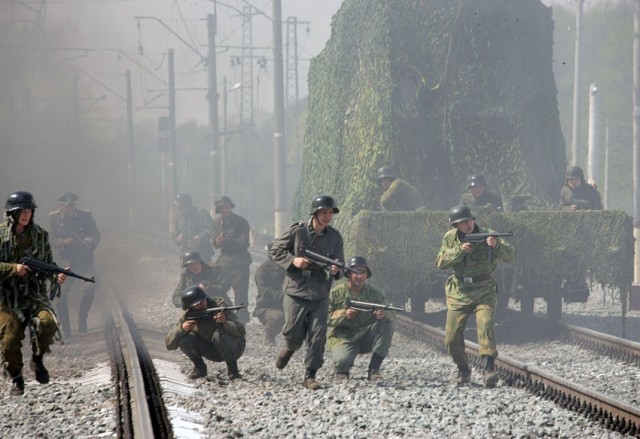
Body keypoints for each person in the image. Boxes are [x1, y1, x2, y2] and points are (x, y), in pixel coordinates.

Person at [435, 205, 515, 388]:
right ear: (456, 225)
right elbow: (440, 262)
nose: (468, 224)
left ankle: (489, 369)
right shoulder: (450, 238)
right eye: (463, 222)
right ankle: (463, 370)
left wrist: (496, 246)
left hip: (484, 289)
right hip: (459, 291)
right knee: (452, 337)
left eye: (470, 220)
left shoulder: (490, 235)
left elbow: (511, 256)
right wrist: (460, 251)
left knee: (485, 325)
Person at [270, 195, 344, 390]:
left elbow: (340, 264)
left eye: (330, 212)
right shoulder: (298, 230)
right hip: (296, 289)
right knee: (294, 334)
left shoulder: (335, 237)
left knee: (318, 336)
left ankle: (310, 375)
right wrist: (293, 261)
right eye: (324, 212)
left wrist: (337, 270)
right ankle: (290, 348)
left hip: (320, 291)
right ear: (315, 213)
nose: (327, 216)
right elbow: (276, 250)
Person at [0, 191, 68, 395]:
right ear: (13, 213)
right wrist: (13, 269)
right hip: (7, 298)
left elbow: (47, 264)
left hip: (34, 295)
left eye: (29, 211)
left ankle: (37, 359)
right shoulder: (0, 235)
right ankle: (16, 378)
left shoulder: (40, 235)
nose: (26, 215)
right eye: (22, 211)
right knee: (9, 342)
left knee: (49, 323)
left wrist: (56, 275)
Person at [327, 256, 394, 381]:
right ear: (348, 274)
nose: (359, 276)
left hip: (367, 336)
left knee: (388, 323)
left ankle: (374, 370)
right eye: (355, 272)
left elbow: (390, 311)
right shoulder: (336, 293)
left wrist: (383, 315)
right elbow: (325, 317)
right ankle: (343, 371)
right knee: (341, 361)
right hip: (344, 337)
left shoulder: (375, 293)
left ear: (367, 274)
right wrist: (344, 314)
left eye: (363, 272)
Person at [165, 286, 246, 380]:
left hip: (234, 347)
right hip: (212, 350)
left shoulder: (219, 306)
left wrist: (225, 323)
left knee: (218, 334)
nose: (202, 304)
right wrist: (182, 329)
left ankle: (233, 372)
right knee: (184, 340)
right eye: (197, 304)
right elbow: (169, 344)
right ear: (190, 307)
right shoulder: (187, 316)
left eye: (203, 300)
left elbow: (241, 330)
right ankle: (200, 369)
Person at [49, 192, 100, 337]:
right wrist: (63, 242)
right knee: (60, 296)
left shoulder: (85, 216)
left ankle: (82, 319)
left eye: (71, 206)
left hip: (84, 260)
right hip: (65, 263)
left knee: (90, 288)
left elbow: (97, 234)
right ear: (60, 207)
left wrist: (91, 239)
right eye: (66, 206)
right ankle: (66, 329)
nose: (69, 209)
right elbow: (51, 240)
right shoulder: (54, 219)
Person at [212, 196, 252, 324]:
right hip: (224, 262)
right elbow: (214, 242)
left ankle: (241, 322)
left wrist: (228, 240)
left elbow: (245, 243)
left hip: (239, 263)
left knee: (240, 295)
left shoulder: (241, 222)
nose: (225, 210)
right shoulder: (217, 223)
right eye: (222, 208)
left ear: (230, 207)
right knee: (217, 290)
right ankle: (221, 317)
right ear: (219, 210)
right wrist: (217, 241)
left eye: (227, 207)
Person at [253, 243, 286, 347]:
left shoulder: (287, 268)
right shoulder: (263, 271)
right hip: (267, 307)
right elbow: (266, 294)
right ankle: (269, 336)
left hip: (287, 304)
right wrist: (286, 296)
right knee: (277, 317)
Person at [172, 193, 215, 263]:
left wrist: (198, 237)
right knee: (186, 273)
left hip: (203, 253)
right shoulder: (179, 218)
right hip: (187, 254)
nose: (178, 207)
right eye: (177, 205)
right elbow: (175, 236)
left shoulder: (201, 213)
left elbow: (210, 229)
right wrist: (178, 239)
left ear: (187, 204)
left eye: (180, 205)